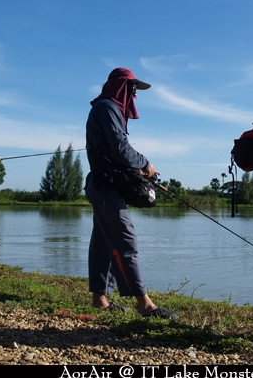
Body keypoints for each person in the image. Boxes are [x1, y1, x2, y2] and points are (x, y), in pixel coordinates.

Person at [85, 68, 179, 320]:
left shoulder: (107, 108)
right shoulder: (107, 107)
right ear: (121, 86)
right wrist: (145, 164)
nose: (135, 94)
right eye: (133, 88)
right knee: (125, 240)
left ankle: (99, 299)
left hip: (104, 186)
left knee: (104, 244)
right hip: (106, 187)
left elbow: (117, 149)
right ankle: (145, 305)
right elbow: (120, 148)